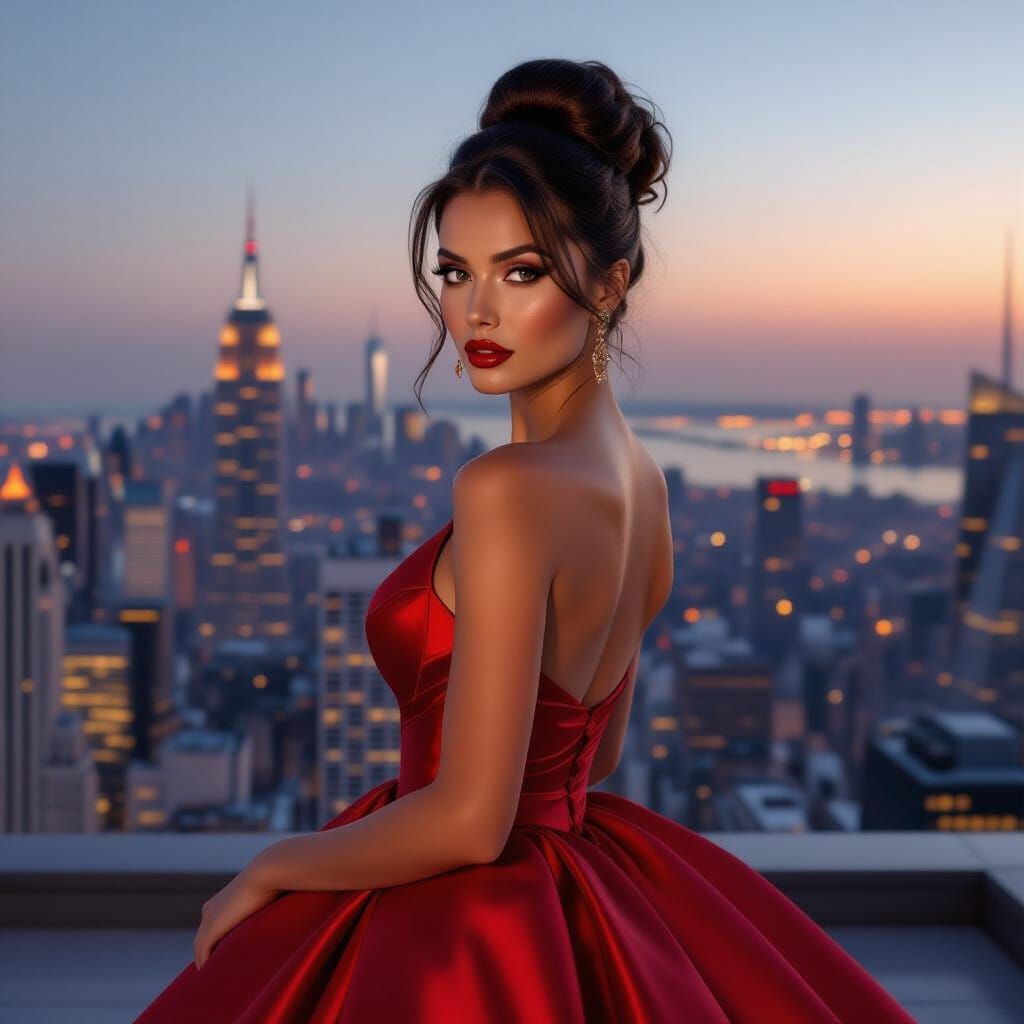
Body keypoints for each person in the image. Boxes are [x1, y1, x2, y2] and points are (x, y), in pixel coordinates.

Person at [135, 58, 916, 1023]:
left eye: (523, 271)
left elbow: (467, 819)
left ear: (612, 281)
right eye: (456, 274)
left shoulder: (506, 491)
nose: (477, 313)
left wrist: (274, 864)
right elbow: (600, 748)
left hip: (462, 917)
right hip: (579, 882)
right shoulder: (643, 485)